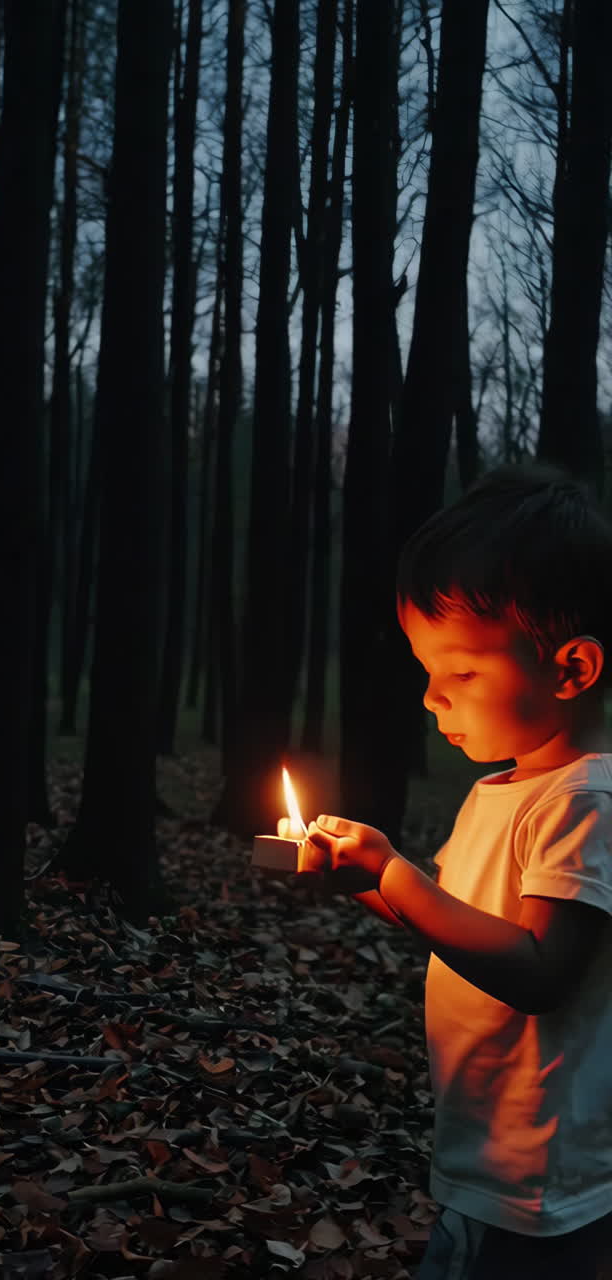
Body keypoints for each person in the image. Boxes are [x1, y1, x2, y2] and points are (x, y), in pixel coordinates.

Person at [307, 464, 612, 1280]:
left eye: (463, 672)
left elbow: (542, 972)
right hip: (485, 1152)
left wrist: (398, 877)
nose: (433, 698)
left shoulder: (587, 800)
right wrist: (365, 876)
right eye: (426, 668)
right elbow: (451, 919)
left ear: (572, 669)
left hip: (548, 1179)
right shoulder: (501, 788)